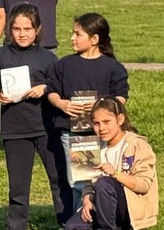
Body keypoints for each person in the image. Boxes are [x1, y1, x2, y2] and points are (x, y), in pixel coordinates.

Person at [0, 3, 63, 230]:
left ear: (37, 30)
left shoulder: (48, 58)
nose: (22, 34)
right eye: (17, 29)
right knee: (18, 183)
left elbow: (59, 87)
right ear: (10, 29)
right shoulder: (1, 55)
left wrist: (44, 88)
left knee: (57, 178)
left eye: (27, 29)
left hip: (45, 127)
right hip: (15, 128)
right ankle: (16, 227)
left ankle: (66, 221)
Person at [46, 13, 130, 204]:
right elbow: (51, 91)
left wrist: (101, 106)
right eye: (72, 34)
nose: (72, 38)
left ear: (94, 39)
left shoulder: (112, 67)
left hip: (103, 134)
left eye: (78, 34)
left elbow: (121, 97)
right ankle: (79, 223)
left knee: (102, 177)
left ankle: (104, 217)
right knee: (77, 181)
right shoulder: (64, 65)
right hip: (73, 134)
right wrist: (61, 103)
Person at [63, 97, 158, 230]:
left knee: (105, 182)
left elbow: (143, 185)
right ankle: (115, 229)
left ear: (120, 119)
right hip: (103, 202)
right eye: (96, 123)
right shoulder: (94, 146)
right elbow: (89, 181)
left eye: (107, 122)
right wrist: (87, 199)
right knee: (73, 228)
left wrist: (115, 173)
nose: (101, 128)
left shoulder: (137, 144)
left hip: (129, 206)